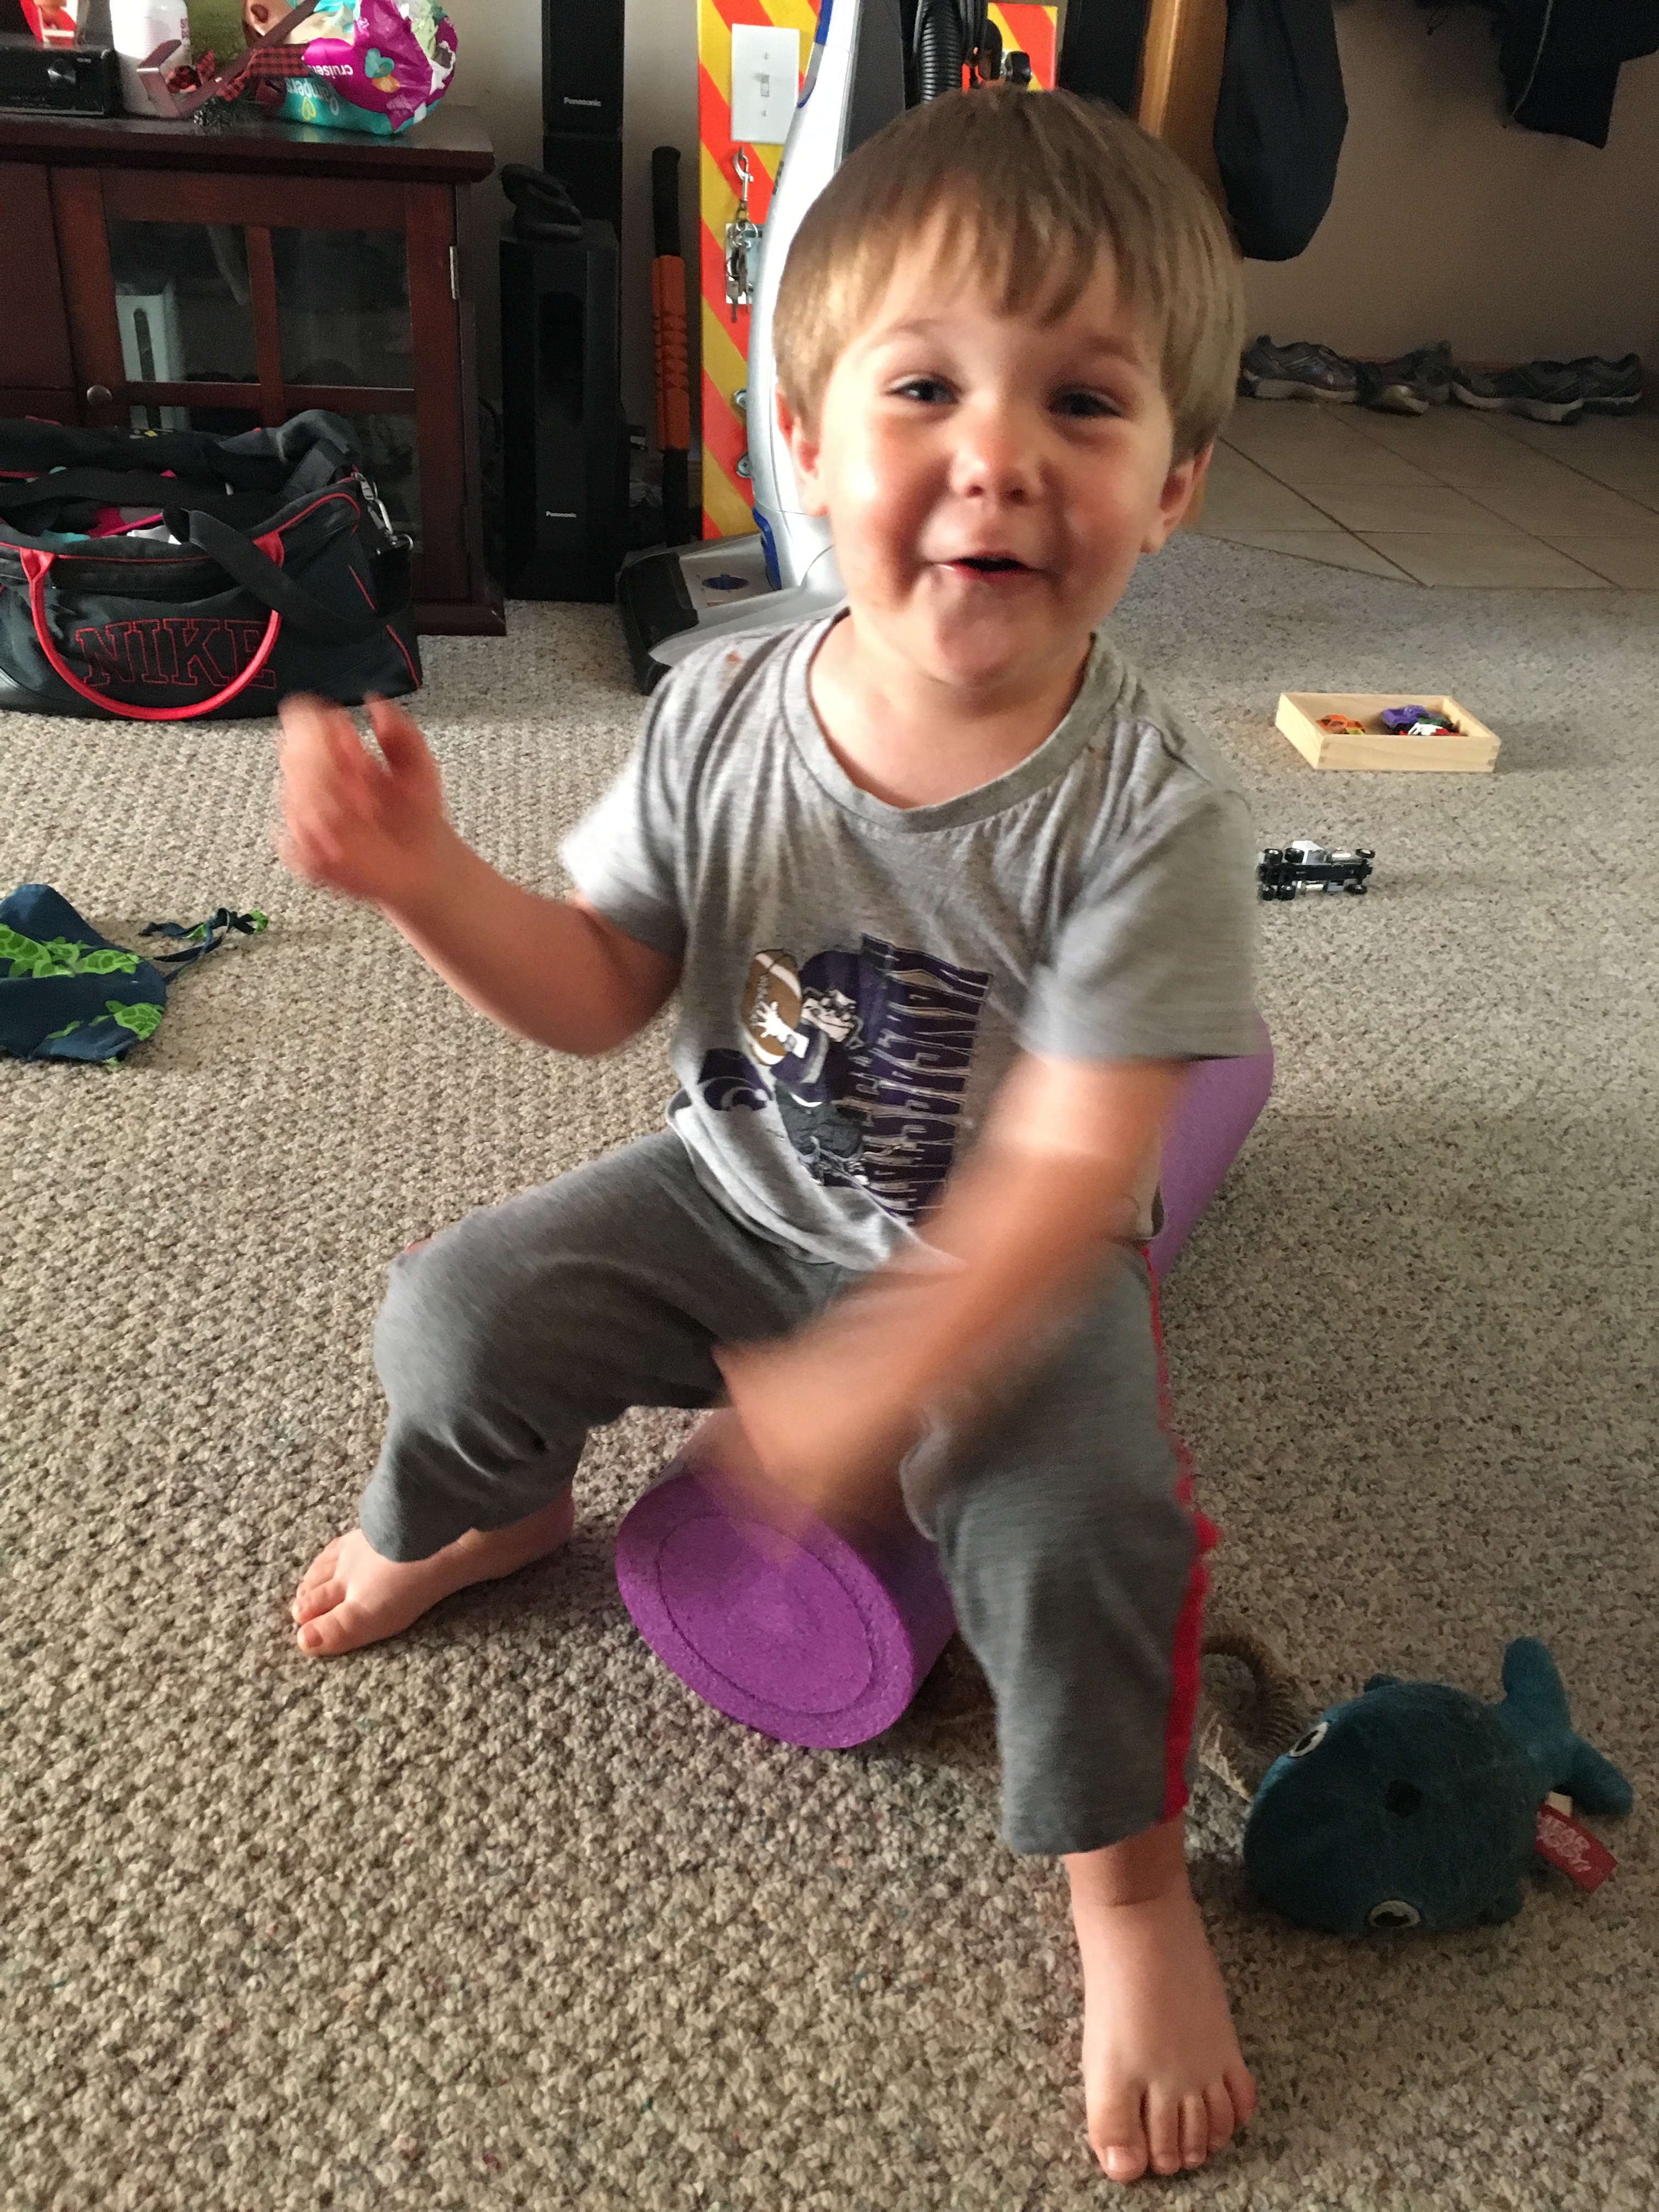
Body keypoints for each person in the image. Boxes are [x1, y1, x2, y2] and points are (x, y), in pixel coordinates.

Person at [276, 86, 1259, 2186]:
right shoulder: (719, 709)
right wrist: (430, 886)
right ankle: (491, 1513)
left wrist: (878, 1382)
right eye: (925, 389)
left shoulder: (1148, 817)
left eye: (1084, 405)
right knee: (451, 1314)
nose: (997, 454)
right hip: (736, 1190)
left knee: (1089, 1533)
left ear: (1171, 485)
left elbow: (1069, 1171)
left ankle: (1128, 1896)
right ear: (801, 444)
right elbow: (600, 991)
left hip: (1007, 1268)